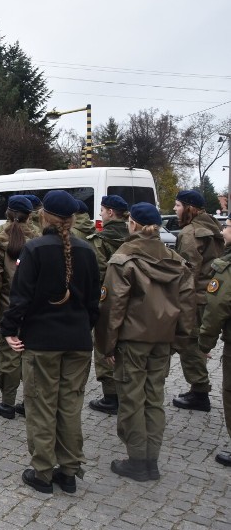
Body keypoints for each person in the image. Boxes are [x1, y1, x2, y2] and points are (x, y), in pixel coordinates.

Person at [0, 190, 101, 495]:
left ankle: (43, 471)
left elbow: (20, 296)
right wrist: (83, 328)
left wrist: (10, 329)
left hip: (43, 341)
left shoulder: (35, 249)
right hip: (78, 341)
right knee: (70, 406)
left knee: (42, 406)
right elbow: (94, 303)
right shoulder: (87, 251)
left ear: (44, 215)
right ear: (71, 219)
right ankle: (69, 471)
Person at [95, 203, 195, 482]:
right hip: (161, 341)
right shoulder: (175, 260)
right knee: (154, 399)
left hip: (132, 340)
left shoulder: (124, 258)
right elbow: (187, 306)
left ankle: (138, 460)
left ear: (133, 224)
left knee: (132, 399)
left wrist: (107, 346)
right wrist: (180, 341)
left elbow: (113, 307)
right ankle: (151, 460)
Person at [171, 189, 222, 412]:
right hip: (210, 294)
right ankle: (198, 389)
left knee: (189, 343)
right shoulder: (213, 227)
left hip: (194, 297)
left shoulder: (190, 233)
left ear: (189, 208)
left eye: (178, 205)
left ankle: (200, 392)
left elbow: (187, 273)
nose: (174, 209)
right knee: (196, 342)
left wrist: (179, 302)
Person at [0, 196, 39, 419]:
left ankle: (7, 403)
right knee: (32, 357)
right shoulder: (41, 241)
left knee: (8, 356)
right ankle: (30, 403)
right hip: (35, 310)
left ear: (7, 214)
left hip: (7, 309)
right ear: (30, 216)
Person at [87, 194, 130, 415]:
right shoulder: (134, 235)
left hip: (108, 301)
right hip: (133, 301)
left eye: (103, 210)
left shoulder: (100, 240)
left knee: (105, 345)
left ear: (110, 212)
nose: (101, 214)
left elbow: (98, 274)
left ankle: (110, 396)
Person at [198, 216, 231, 468]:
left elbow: (218, 306)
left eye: (227, 226)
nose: (223, 230)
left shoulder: (227, 268)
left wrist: (204, 343)